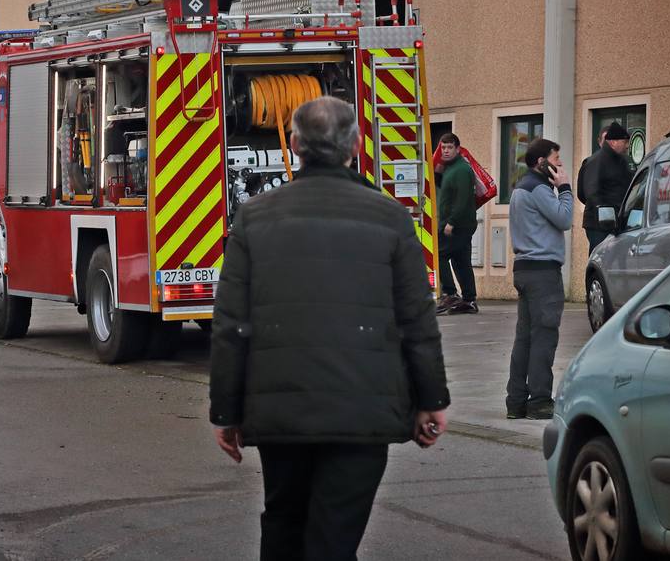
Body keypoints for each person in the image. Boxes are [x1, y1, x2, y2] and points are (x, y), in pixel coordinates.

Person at [209, 96, 450, 561]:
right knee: (333, 539)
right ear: (356, 146)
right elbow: (416, 320)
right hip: (362, 411)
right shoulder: (391, 217)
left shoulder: (254, 217)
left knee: (282, 522)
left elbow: (231, 325)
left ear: (295, 144)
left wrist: (226, 410)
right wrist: (431, 400)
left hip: (282, 414)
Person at [506, 137, 573, 420]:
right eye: (557, 159)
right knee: (544, 338)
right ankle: (540, 401)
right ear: (541, 163)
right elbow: (564, 218)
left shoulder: (520, 188)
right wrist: (566, 188)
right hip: (543, 272)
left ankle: (516, 402)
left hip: (524, 269)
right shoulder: (540, 188)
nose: (560, 165)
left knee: (524, 339)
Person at [435, 132, 479, 315]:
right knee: (461, 261)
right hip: (459, 223)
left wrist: (451, 222)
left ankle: (450, 293)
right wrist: (438, 172)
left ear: (457, 149)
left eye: (449, 147)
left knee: (440, 255)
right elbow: (444, 190)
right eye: (443, 147)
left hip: (458, 224)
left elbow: (463, 199)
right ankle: (469, 300)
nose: (445, 151)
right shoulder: (449, 167)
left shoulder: (461, 169)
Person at [577, 122, 631, 252]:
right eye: (624, 142)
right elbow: (589, 193)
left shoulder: (622, 161)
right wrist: (608, 214)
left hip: (617, 223)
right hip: (599, 226)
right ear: (613, 142)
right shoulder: (596, 161)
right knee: (600, 260)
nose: (627, 146)